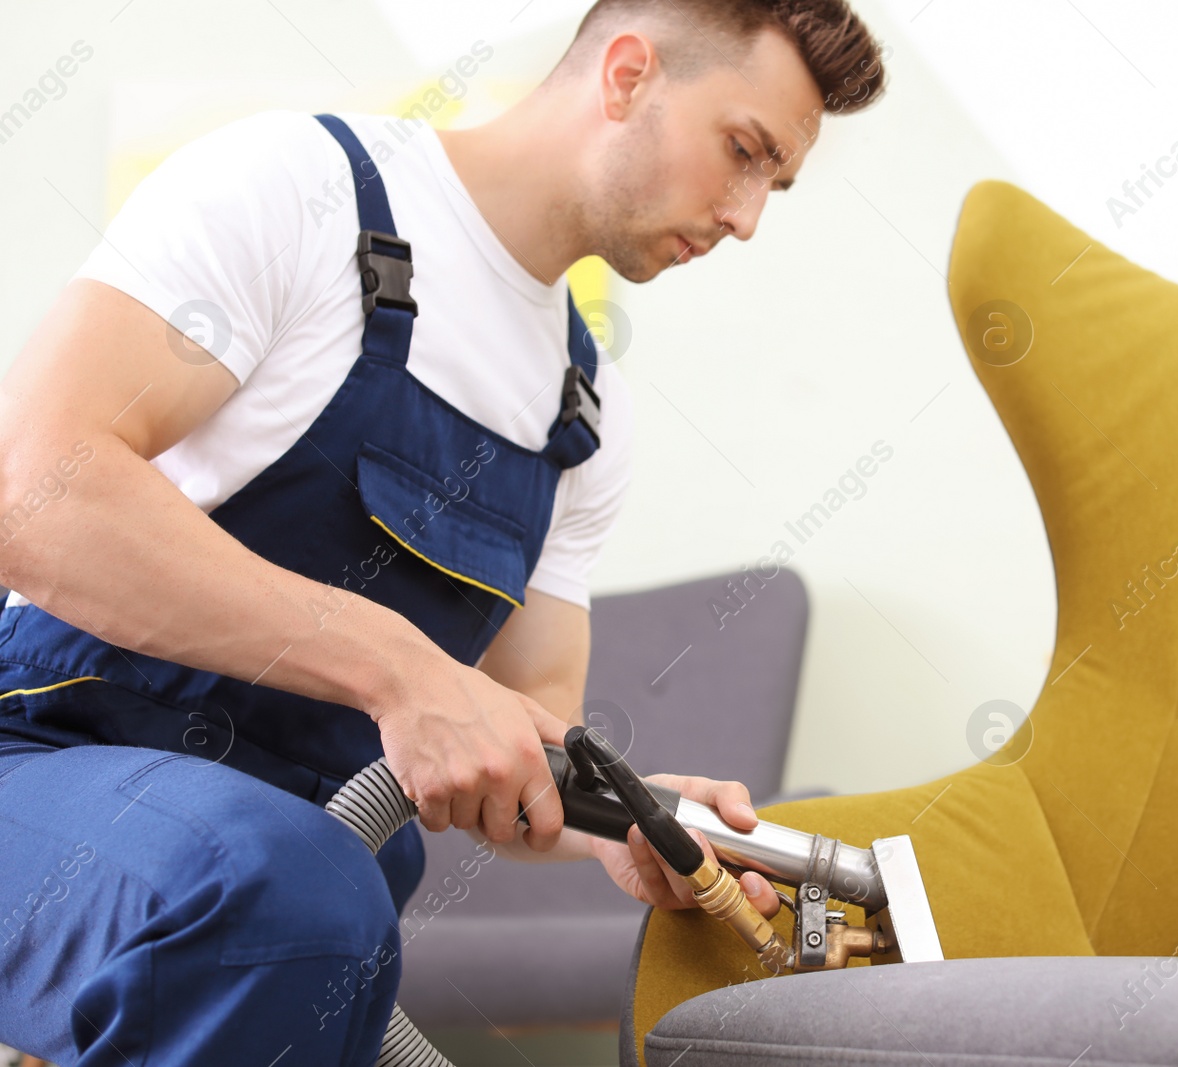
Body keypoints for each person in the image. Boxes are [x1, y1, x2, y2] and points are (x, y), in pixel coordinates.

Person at [0, 0, 887, 1062]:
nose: (746, 217)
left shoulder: (584, 416)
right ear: (626, 75)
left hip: (306, 891)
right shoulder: (298, 189)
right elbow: (32, 489)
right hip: (48, 769)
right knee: (288, 889)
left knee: (309, 889)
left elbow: (527, 727)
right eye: (742, 153)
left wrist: (636, 817)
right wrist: (399, 671)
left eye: (774, 186)